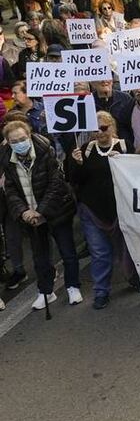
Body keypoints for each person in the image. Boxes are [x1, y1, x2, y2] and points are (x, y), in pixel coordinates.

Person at [1, 119, 81, 310]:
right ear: (8, 142)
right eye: (14, 141)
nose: (19, 143)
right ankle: (45, 291)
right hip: (30, 217)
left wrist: (40, 211)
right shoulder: (6, 158)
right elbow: (10, 189)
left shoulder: (46, 150)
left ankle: (73, 286)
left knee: (67, 251)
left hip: (56, 211)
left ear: (29, 135)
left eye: (22, 139)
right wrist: (24, 212)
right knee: (40, 257)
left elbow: (56, 184)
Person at [67, 111, 131, 310]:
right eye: (95, 129)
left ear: (112, 127)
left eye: (104, 128)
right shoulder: (85, 150)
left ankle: (134, 278)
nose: (100, 132)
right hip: (92, 211)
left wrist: (124, 161)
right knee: (99, 252)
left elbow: (135, 176)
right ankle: (101, 291)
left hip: (121, 209)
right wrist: (77, 164)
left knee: (128, 249)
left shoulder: (125, 146)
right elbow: (74, 180)